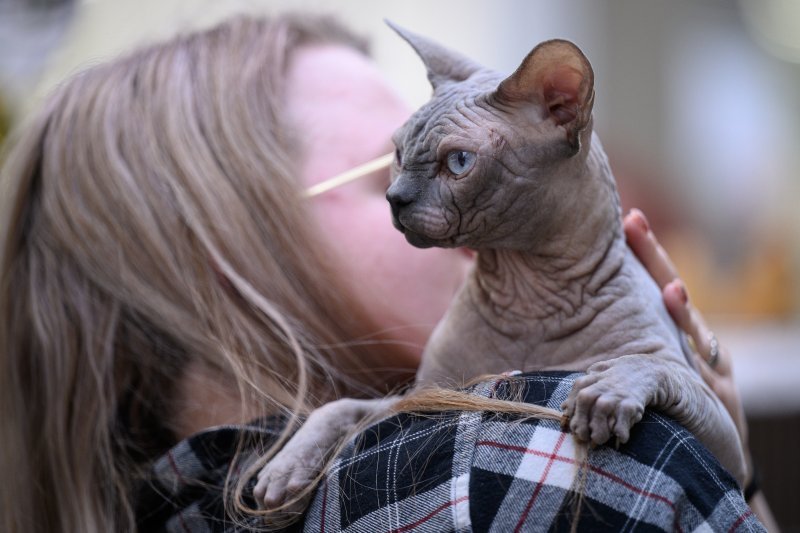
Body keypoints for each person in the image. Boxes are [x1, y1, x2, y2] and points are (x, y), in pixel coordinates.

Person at [0, 13, 771, 533]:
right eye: (384, 172)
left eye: (455, 166)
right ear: (219, 258)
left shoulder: (142, 501)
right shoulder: (523, 473)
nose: (424, 199)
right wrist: (717, 476)